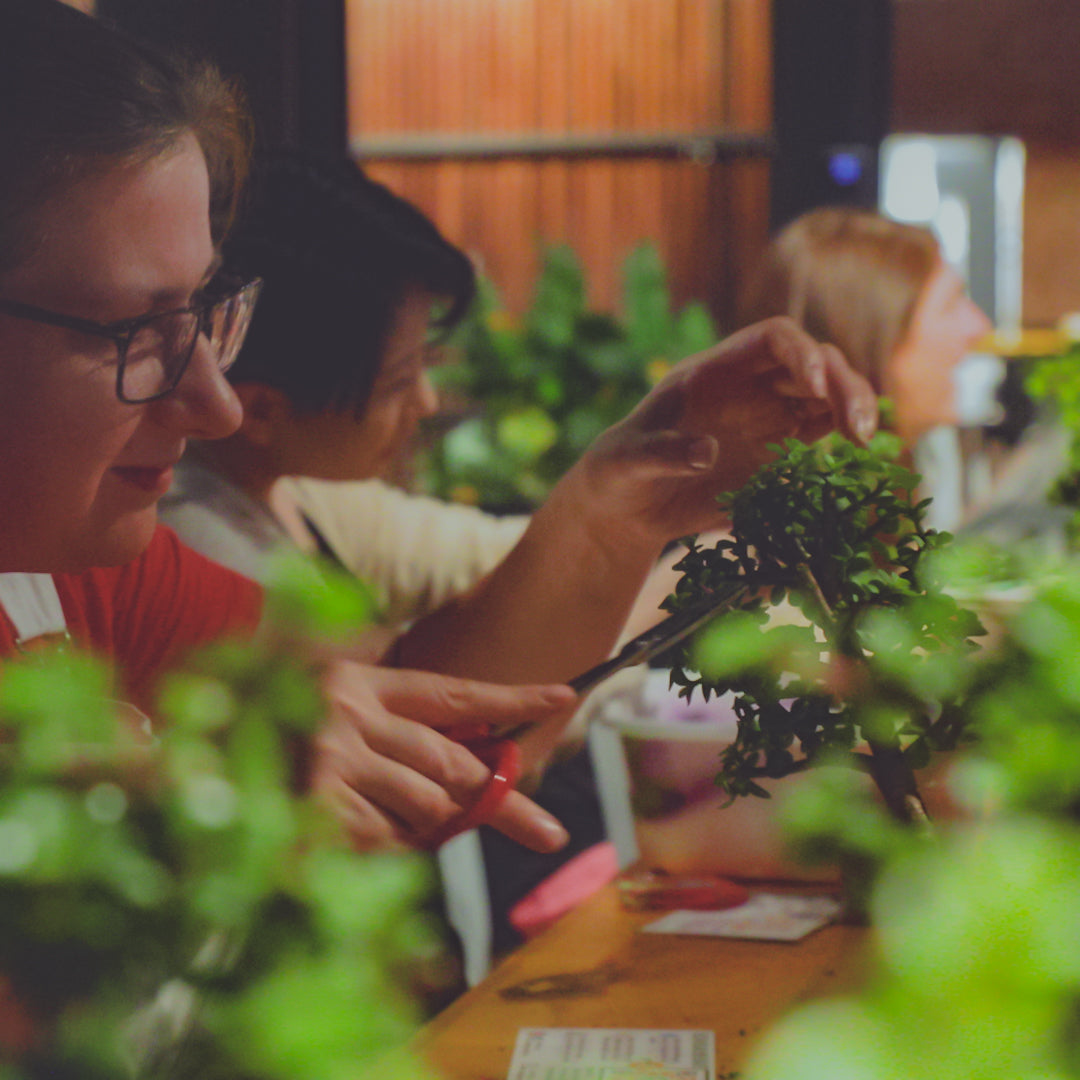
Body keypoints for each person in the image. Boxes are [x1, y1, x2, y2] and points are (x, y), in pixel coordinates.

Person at [0, 0, 876, 862]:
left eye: (200, 316)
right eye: (133, 332)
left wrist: (627, 501)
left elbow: (428, 719)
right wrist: (177, 796)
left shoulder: (74, 572)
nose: (216, 405)